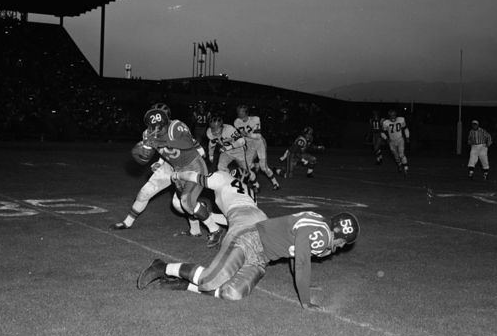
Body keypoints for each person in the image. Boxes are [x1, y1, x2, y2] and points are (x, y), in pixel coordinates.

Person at [137, 208, 360, 310]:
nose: (340, 248)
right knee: (210, 280)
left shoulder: (320, 223)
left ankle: (183, 285)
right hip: (251, 240)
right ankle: (163, 267)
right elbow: (302, 262)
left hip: (261, 258)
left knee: (232, 293)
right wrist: (305, 300)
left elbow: (295, 254)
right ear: (340, 235)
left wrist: (303, 281)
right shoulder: (321, 235)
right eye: (342, 243)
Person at [112, 103, 224, 247]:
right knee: (156, 196)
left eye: (160, 125)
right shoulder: (147, 134)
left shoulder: (176, 126)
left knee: (185, 202)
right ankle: (128, 222)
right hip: (172, 167)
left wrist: (160, 141)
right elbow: (151, 154)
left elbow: (187, 143)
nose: (156, 129)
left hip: (192, 166)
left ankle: (215, 228)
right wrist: (149, 158)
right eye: (153, 126)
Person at [233, 104, 280, 191]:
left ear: (246, 112)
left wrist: (247, 134)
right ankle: (256, 185)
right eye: (238, 112)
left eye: (240, 112)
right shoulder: (236, 122)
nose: (238, 113)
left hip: (259, 143)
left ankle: (275, 183)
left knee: (263, 167)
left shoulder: (255, 119)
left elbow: (258, 136)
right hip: (250, 145)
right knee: (245, 167)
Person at [381, 109, 410, 175]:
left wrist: (407, 137)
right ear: (389, 116)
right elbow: (382, 132)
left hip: (400, 139)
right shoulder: (386, 122)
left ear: (396, 115)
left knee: (401, 154)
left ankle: (406, 168)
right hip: (392, 141)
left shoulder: (401, 119)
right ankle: (399, 164)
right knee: (396, 155)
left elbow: (405, 128)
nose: (393, 117)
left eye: (394, 115)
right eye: (391, 115)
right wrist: (386, 139)